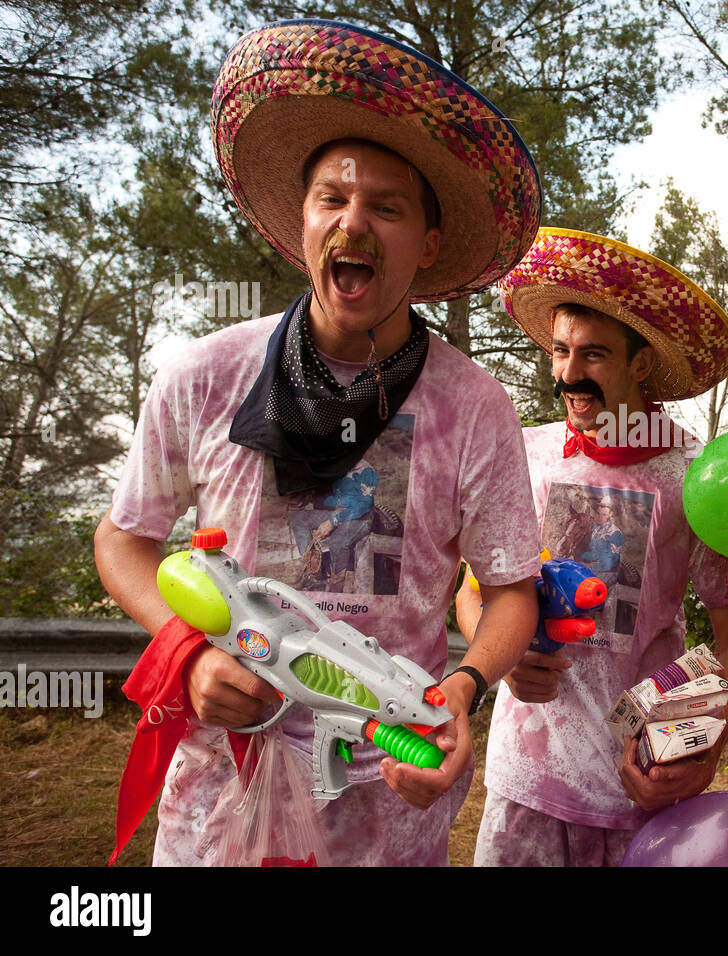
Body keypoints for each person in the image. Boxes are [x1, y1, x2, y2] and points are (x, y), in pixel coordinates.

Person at [96, 20, 543, 866]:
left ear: (430, 242)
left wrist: (462, 688)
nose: (353, 222)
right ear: (301, 221)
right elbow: (123, 539)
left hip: (386, 810)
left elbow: (512, 588)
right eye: (332, 199)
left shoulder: (475, 408)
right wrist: (185, 653)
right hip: (217, 813)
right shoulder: (205, 373)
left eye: (387, 206)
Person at [456, 229, 728, 866]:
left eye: (592, 355)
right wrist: (500, 656)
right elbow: (472, 591)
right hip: (523, 786)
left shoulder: (696, 478)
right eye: (560, 351)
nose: (568, 374)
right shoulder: (525, 454)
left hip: (635, 792)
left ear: (641, 364)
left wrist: (699, 751)